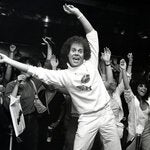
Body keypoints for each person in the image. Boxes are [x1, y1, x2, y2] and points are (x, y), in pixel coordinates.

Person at [0, 4, 121, 150]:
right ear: (67, 54)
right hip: (86, 119)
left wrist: (78, 13)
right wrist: (8, 60)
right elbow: (34, 70)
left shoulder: (91, 62)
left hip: (106, 112)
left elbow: (92, 33)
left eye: (80, 51)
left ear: (84, 55)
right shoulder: (63, 75)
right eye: (73, 50)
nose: (76, 53)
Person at [4, 57, 42, 150]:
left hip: (33, 120)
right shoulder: (11, 85)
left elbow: (45, 74)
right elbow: (10, 104)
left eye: (30, 66)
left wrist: (51, 62)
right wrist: (17, 84)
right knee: (19, 146)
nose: (29, 69)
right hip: (20, 120)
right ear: (20, 68)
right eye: (26, 66)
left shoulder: (33, 82)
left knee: (32, 146)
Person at [121, 58, 150, 150]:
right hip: (133, 132)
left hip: (146, 133)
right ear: (136, 88)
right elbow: (126, 86)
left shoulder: (149, 100)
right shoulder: (132, 100)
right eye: (141, 86)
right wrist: (123, 70)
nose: (143, 88)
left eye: (145, 87)